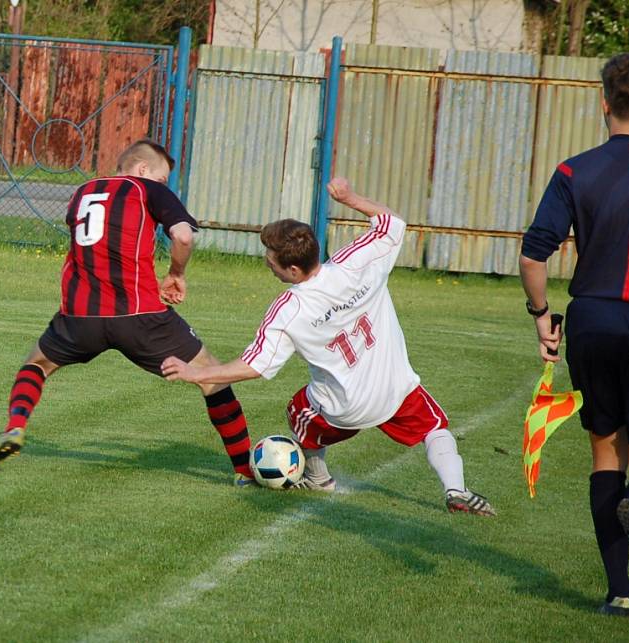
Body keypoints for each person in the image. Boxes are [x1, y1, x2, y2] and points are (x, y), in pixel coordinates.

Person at [161, 176, 495, 516]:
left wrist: (194, 372)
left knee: (299, 409)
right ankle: (457, 489)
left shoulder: (289, 309)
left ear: (292, 269)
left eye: (270, 259)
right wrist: (350, 198)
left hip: (343, 409)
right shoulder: (356, 263)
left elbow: (256, 365)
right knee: (435, 430)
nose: (266, 263)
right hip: (396, 391)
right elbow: (392, 223)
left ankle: (319, 479)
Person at [0, 139, 255, 486]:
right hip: (140, 315)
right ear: (142, 170)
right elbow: (183, 237)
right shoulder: (146, 188)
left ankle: (15, 427)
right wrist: (177, 274)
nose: (163, 186)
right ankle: (244, 471)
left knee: (36, 365)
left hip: (79, 317)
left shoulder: (82, 192)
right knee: (214, 377)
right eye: (162, 179)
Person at [520, 53, 629, 617]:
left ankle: (619, 593)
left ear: (604, 103)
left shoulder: (575, 170)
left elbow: (534, 255)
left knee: (606, 448)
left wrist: (541, 314)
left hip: (593, 320)